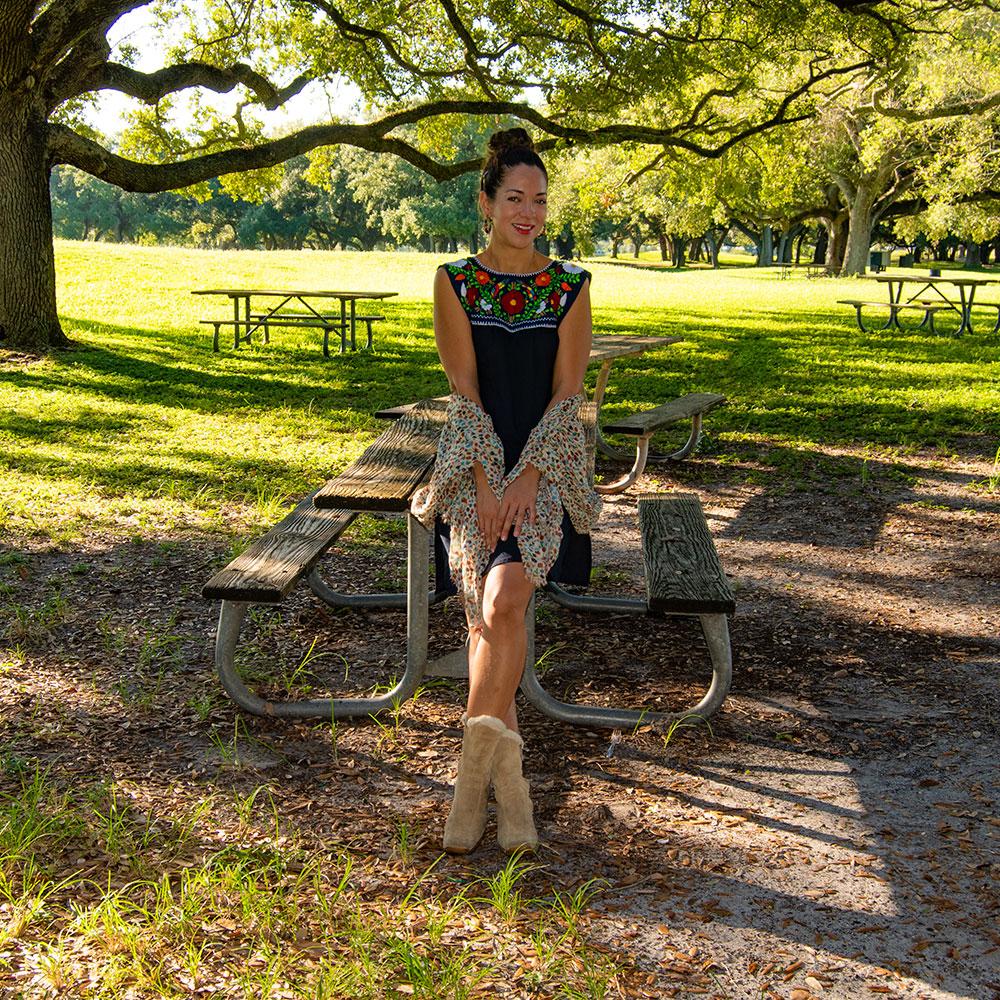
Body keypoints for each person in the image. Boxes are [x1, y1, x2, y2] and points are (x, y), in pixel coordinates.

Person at [411, 128, 602, 854]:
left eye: (541, 200)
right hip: (472, 466)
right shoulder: (454, 281)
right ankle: (512, 800)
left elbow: (569, 393)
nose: (530, 212)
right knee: (486, 622)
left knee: (502, 601)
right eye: (515, 198)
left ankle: (467, 791)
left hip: (548, 469)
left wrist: (527, 476)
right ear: (486, 202)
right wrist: (490, 479)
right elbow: (463, 391)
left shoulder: (570, 286)